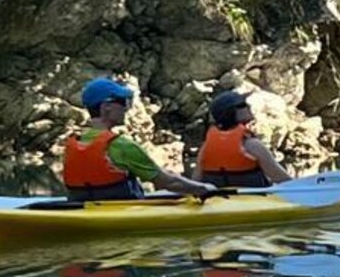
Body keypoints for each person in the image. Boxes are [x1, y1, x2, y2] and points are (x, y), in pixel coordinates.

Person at [63, 79, 217, 204]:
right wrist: (204, 188)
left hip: (83, 209)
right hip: (120, 214)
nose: (127, 109)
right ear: (106, 107)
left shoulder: (73, 144)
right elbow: (168, 182)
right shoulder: (122, 146)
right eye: (123, 102)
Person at [195, 88, 290, 192]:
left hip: (218, 203)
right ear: (230, 113)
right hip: (255, 202)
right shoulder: (252, 145)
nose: (249, 106)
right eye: (243, 105)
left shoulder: (206, 147)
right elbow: (283, 180)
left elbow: (196, 181)